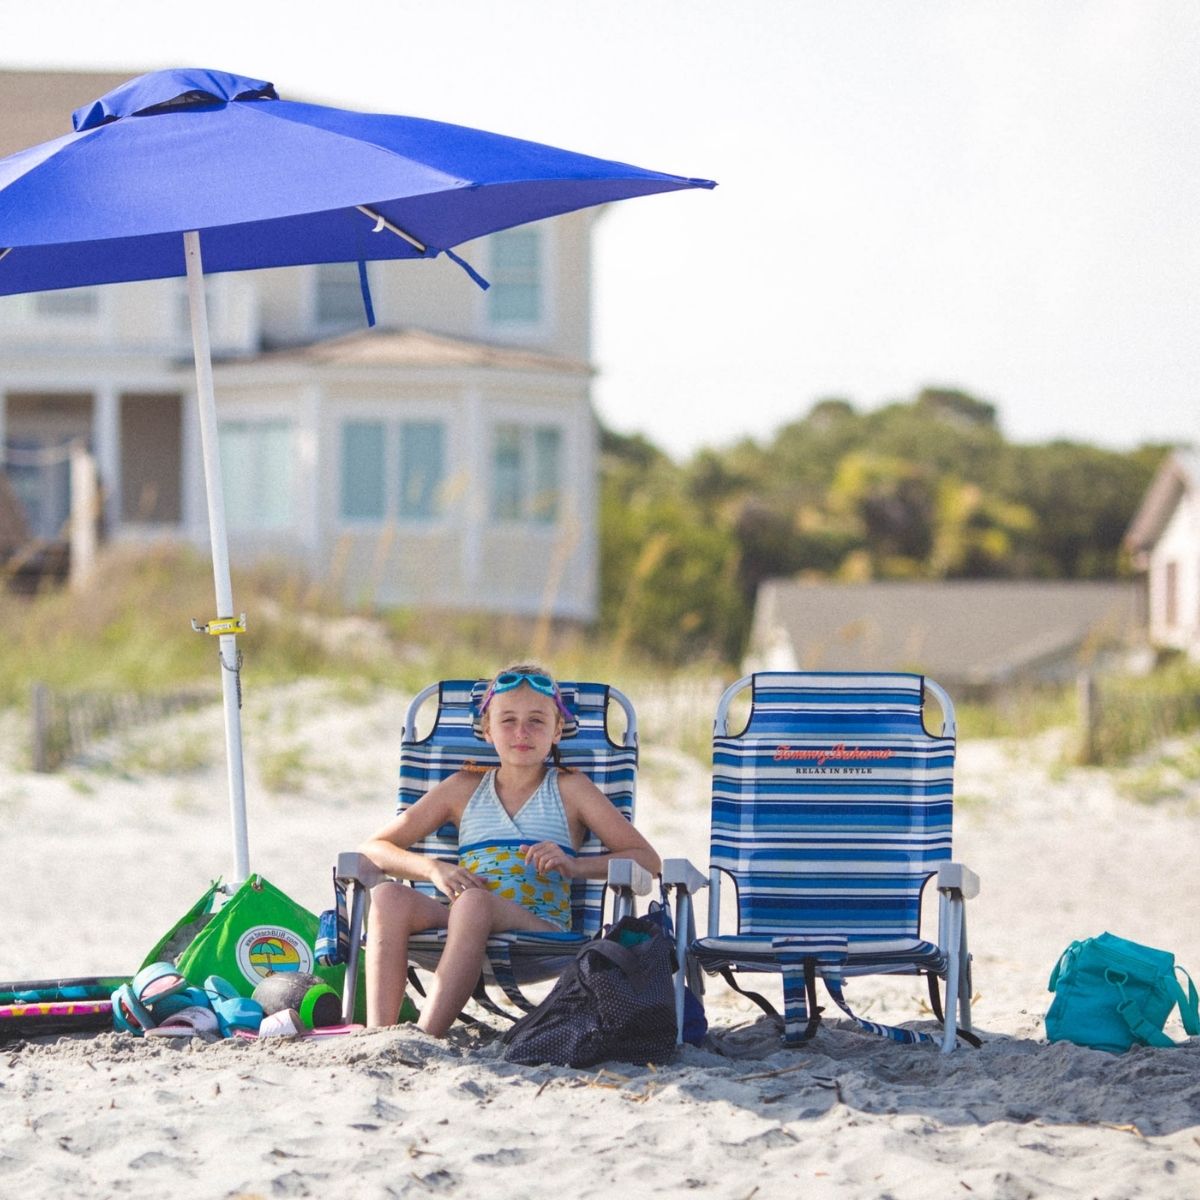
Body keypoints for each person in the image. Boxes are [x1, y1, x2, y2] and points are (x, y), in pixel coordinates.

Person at [358, 663, 661, 1035]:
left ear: (557, 731)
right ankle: (379, 1033)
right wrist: (433, 869)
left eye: (536, 721)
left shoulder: (570, 788)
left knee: (473, 902)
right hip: (464, 916)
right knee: (389, 895)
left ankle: (425, 1034)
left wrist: (575, 865)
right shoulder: (463, 787)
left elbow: (648, 859)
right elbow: (375, 848)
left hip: (539, 928)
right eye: (508, 720)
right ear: (487, 731)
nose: (522, 732)